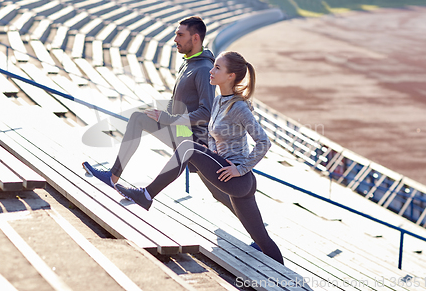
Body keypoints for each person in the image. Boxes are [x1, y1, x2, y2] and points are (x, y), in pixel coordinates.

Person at [115, 51, 284, 264]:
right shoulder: (218, 101)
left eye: (217, 68)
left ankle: (146, 195)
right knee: (263, 242)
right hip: (231, 176)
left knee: (188, 147)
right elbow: (214, 131)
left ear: (231, 76)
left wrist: (240, 169)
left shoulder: (238, 106)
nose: (211, 72)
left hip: (237, 179)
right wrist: (212, 149)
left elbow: (263, 142)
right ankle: (290, 283)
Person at [83, 16, 235, 212]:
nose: (175, 39)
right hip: (180, 131)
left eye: (180, 35)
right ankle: (113, 177)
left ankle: (258, 236)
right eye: (175, 34)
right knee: (139, 119)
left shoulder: (205, 69)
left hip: (194, 139)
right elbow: (177, 100)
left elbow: (206, 112)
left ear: (195, 38)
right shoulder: (189, 63)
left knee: (219, 192)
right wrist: (163, 115)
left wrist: (169, 120)